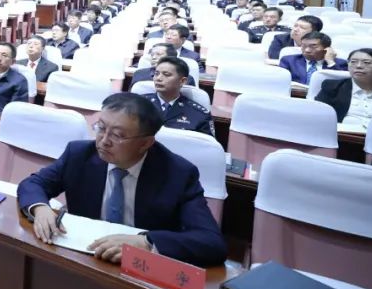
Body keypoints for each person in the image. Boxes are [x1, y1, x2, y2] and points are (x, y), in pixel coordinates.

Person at [17, 93, 227, 267]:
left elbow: (211, 243)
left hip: (139, 271)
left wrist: (147, 242)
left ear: (145, 143)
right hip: (84, 258)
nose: (104, 141)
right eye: (101, 128)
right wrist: (41, 208)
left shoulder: (178, 174)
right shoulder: (79, 154)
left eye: (117, 135)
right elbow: (33, 184)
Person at [141, 57, 213, 136]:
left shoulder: (199, 114)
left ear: (182, 81)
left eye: (166, 75)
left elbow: (207, 143)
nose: (158, 78)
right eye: (156, 74)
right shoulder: (138, 104)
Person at [315, 48, 372, 125]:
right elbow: (317, 116)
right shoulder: (332, 87)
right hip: (343, 132)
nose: (358, 66)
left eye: (366, 62)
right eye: (353, 62)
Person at [279, 32, 347, 84]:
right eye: (303, 46)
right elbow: (281, 81)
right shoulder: (289, 61)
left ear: (326, 48)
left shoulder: (340, 63)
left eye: (313, 46)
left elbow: (341, 83)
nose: (307, 50)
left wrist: (330, 62)